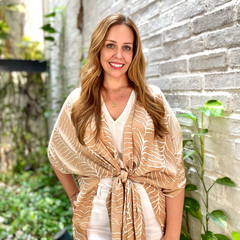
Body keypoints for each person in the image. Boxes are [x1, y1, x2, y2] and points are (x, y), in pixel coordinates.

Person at [48, 13, 186, 240]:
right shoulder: (79, 102)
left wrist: (172, 236)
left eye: (127, 48)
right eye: (110, 45)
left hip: (148, 218)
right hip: (95, 220)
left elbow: (174, 173)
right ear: (98, 48)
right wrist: (74, 195)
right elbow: (56, 152)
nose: (118, 55)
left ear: (134, 52)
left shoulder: (153, 100)